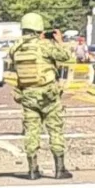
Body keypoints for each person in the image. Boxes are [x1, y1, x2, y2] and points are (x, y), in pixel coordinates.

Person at [9, 13, 73, 179]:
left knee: (31, 131)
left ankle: (32, 169)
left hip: (28, 94)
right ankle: (60, 169)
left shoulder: (15, 48)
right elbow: (66, 57)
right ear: (39, 29)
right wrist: (59, 41)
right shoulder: (44, 46)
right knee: (55, 129)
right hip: (48, 94)